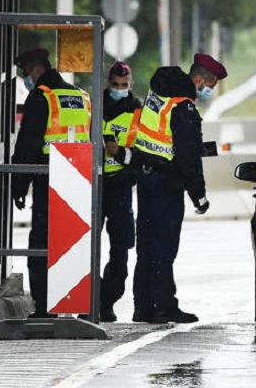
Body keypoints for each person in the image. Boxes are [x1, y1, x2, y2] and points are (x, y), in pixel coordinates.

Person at [131, 52, 228, 324]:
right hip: (166, 184)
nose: (208, 90)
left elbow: (154, 137)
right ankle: (164, 305)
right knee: (164, 248)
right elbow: (187, 157)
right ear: (198, 79)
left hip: (146, 178)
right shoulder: (183, 107)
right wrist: (199, 195)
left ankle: (143, 306)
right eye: (209, 85)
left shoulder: (157, 94)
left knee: (146, 246)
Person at [11, 48, 92, 319]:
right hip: (78, 179)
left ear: (35, 69)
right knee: (73, 242)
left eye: (25, 72)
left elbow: (28, 144)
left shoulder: (41, 97)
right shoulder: (80, 96)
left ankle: (45, 307)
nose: (26, 78)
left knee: (42, 244)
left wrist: (19, 185)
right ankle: (75, 302)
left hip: (49, 178)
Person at [92, 60, 142, 323]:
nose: (120, 89)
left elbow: (143, 154)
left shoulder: (137, 112)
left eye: (124, 85)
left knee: (121, 246)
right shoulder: (94, 108)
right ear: (107, 83)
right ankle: (91, 297)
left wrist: (120, 153)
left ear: (130, 85)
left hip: (121, 184)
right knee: (87, 245)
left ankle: (108, 299)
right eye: (115, 85)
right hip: (94, 184)